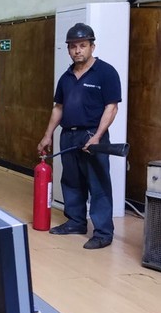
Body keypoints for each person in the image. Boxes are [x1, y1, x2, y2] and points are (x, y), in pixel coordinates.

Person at [37, 22, 121, 250]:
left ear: (92, 46)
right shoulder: (66, 77)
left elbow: (112, 107)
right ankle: (76, 222)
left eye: (82, 45)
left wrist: (97, 136)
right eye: (73, 46)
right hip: (68, 136)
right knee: (71, 181)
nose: (77, 50)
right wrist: (47, 136)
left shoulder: (106, 72)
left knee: (98, 184)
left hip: (93, 136)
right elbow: (59, 107)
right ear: (68, 49)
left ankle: (103, 233)